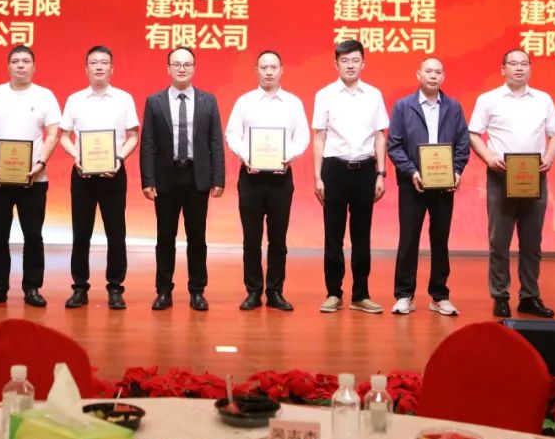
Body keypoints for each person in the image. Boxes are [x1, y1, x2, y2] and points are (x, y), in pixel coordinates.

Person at [468, 48, 555, 319]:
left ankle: (530, 296)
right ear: (503, 69)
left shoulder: (543, 99)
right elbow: (473, 133)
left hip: (535, 177)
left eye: (524, 64)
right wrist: (489, 158)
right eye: (513, 63)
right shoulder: (489, 99)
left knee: (532, 242)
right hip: (501, 177)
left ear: (530, 68)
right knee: (499, 241)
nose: (519, 68)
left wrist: (549, 158)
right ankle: (500, 295)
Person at [0, 45, 61, 307]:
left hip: (34, 178)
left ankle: (32, 288)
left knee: (33, 235)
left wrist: (41, 163)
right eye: (15, 61)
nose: (20, 65)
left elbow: (53, 133)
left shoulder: (45, 95)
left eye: (25, 61)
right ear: (8, 66)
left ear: (34, 66)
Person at [140, 46, 225, 311]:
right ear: (167, 68)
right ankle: (163, 290)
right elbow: (148, 143)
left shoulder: (208, 101)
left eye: (187, 64)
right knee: (165, 238)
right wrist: (147, 180)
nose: (181, 68)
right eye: (176, 64)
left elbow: (215, 142)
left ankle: (197, 291)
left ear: (194, 69)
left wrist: (218, 178)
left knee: (197, 238)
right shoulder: (154, 101)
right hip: (166, 178)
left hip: (197, 178)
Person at [224, 50, 310, 311]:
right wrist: (246, 155)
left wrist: (287, 156)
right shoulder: (245, 102)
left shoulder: (293, 103)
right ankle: (253, 291)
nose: (269, 72)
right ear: (256, 70)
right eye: (264, 67)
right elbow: (232, 134)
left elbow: (302, 137)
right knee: (251, 239)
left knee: (278, 239)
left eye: (273, 67)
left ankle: (275, 291)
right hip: (250, 178)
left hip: (280, 178)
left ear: (281, 70)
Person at [386, 57, 470, 316]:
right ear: (419, 75)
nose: (433, 76)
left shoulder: (454, 107)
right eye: (428, 71)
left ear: (443, 77)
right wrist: (411, 171)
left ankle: (439, 296)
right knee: (408, 239)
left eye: (438, 72)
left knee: (440, 240)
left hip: (444, 184)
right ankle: (404, 295)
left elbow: (463, 143)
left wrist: (456, 170)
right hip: (412, 184)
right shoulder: (403, 106)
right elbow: (394, 145)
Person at [58, 45, 139, 310]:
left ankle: (115, 288)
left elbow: (133, 136)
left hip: (113, 173)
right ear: (86, 69)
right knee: (81, 233)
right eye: (94, 62)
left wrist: (119, 159)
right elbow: (63, 136)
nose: (99, 67)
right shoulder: (75, 99)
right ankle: (79, 287)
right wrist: (76, 156)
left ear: (112, 68)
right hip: (82, 174)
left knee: (116, 233)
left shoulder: (124, 99)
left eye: (104, 62)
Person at [312, 39, 388, 314]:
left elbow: (380, 136)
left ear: (363, 63)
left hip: (365, 170)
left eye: (355, 60)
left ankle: (361, 294)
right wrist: (317, 177)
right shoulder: (325, 95)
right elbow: (319, 137)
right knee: (333, 235)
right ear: (336, 64)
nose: (350, 65)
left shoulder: (374, 95)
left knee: (361, 236)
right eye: (344, 61)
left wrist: (381, 174)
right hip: (334, 169)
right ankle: (333, 293)